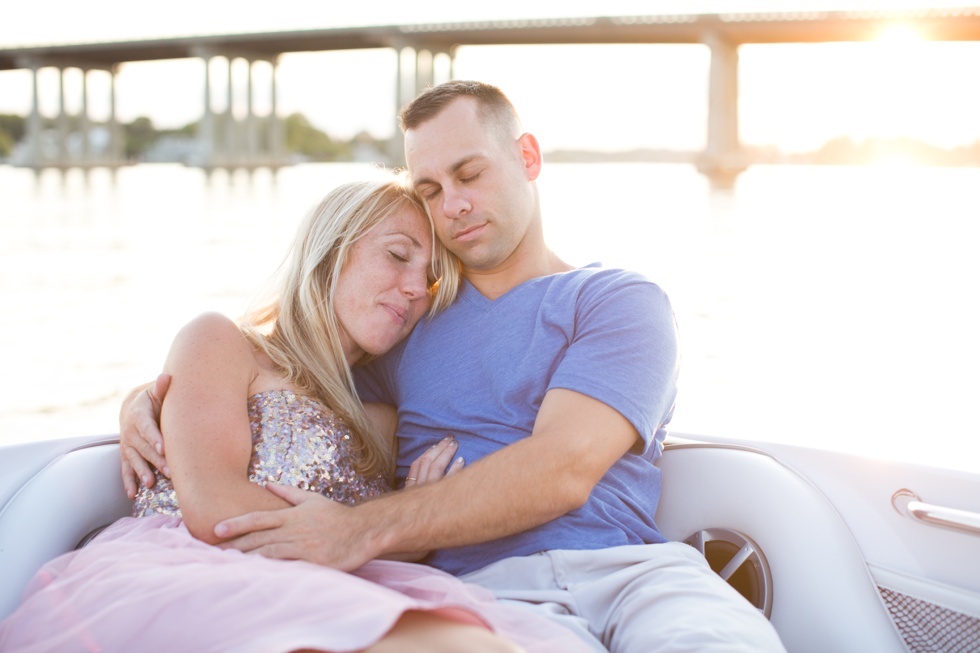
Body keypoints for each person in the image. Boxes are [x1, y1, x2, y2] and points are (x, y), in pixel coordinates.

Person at [119, 81, 787, 653]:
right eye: (431, 189)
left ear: (527, 158)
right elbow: (288, 385)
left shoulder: (616, 300)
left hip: (633, 571)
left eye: (470, 175)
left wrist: (363, 528)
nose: (454, 206)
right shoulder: (404, 327)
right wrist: (151, 399)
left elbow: (564, 467)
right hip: (477, 590)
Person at [0, 176, 593, 653]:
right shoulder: (222, 343)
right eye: (397, 256)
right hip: (193, 564)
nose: (415, 287)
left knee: (479, 642)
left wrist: (393, 538)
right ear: (330, 252)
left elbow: (413, 529)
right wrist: (376, 537)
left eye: (430, 279)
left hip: (334, 579)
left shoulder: (383, 414)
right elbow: (214, 508)